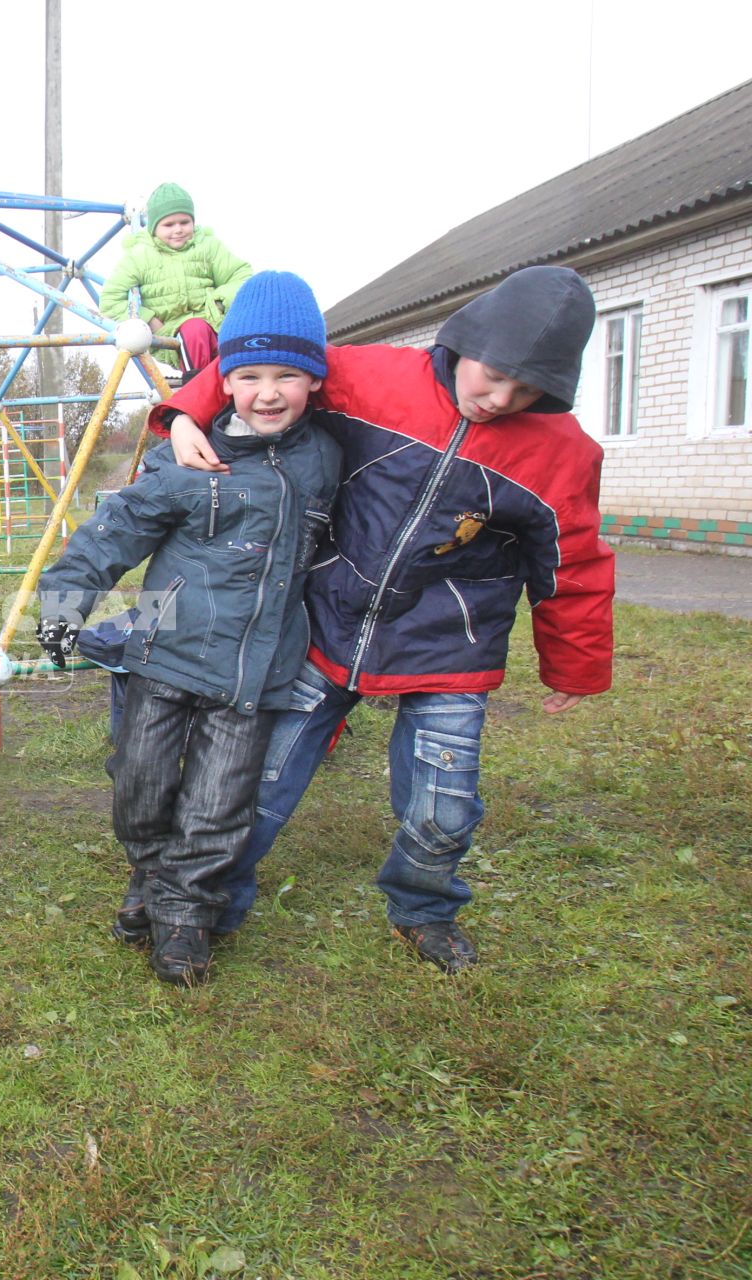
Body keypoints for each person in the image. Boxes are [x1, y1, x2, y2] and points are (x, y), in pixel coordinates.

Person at [151, 265, 614, 972]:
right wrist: (186, 412)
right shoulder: (372, 379)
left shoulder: (561, 453)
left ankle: (424, 909)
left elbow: (573, 566)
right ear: (468, 340)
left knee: (443, 805)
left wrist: (577, 665)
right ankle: (208, 902)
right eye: (493, 375)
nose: (500, 398)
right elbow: (261, 359)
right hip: (327, 625)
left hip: (448, 651)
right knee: (253, 781)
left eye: (526, 389)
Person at [38, 272, 344, 986]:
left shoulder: (325, 458)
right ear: (224, 382)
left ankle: (183, 919)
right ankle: (148, 875)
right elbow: (109, 537)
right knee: (138, 787)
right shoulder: (184, 458)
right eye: (249, 375)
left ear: (315, 382)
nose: (269, 393)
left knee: (217, 806)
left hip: (252, 674)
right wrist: (63, 609)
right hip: (164, 656)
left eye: (289, 376)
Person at [97, 182, 252, 373]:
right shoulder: (140, 255)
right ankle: (198, 387)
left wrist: (218, 302)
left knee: (248, 336)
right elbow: (110, 300)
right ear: (154, 228)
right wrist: (148, 319)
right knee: (195, 331)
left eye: (184, 222)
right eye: (169, 225)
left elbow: (242, 277)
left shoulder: (207, 246)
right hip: (172, 332)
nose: (178, 230)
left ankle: (240, 383)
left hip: (216, 323)